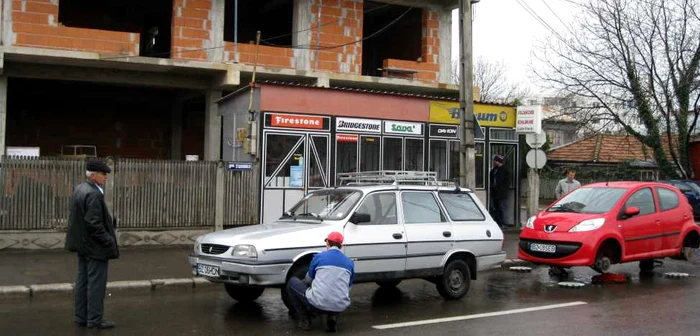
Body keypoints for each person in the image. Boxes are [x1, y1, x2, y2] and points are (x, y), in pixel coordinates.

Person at [64, 159, 119, 329]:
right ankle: (95, 319)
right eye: (103, 174)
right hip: (95, 247)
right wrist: (108, 240)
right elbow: (93, 222)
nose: (106, 178)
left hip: (83, 245)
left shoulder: (81, 188)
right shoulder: (94, 193)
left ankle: (81, 316)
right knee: (96, 283)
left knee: (82, 281)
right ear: (94, 176)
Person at [287, 232, 355, 332]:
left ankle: (305, 321)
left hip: (317, 305)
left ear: (327, 242)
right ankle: (332, 319)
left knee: (292, 282)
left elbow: (308, 280)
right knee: (336, 290)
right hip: (340, 306)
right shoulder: (349, 262)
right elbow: (348, 287)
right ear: (341, 245)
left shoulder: (319, 257)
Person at [489, 154, 511, 227]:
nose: (494, 162)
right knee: (496, 208)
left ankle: (503, 223)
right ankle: (498, 222)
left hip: (501, 193)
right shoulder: (495, 169)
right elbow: (491, 176)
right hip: (495, 192)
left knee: (501, 208)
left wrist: (502, 189)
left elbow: (506, 182)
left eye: (495, 161)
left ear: (499, 161)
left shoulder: (505, 170)